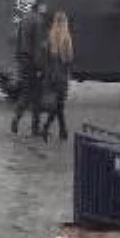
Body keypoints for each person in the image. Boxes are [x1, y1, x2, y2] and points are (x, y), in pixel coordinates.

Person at [11, 0, 48, 136]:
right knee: (37, 96)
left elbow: (18, 40)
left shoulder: (24, 18)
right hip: (33, 62)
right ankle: (35, 128)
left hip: (23, 61)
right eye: (44, 5)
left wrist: (18, 59)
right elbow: (38, 46)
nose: (46, 8)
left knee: (25, 93)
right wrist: (40, 67)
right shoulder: (38, 21)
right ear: (39, 6)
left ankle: (16, 118)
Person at [41, 11, 74, 141]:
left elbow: (46, 58)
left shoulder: (50, 37)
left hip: (51, 77)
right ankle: (46, 127)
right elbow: (69, 59)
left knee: (59, 105)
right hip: (61, 77)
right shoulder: (66, 38)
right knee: (58, 105)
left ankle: (63, 131)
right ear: (65, 22)